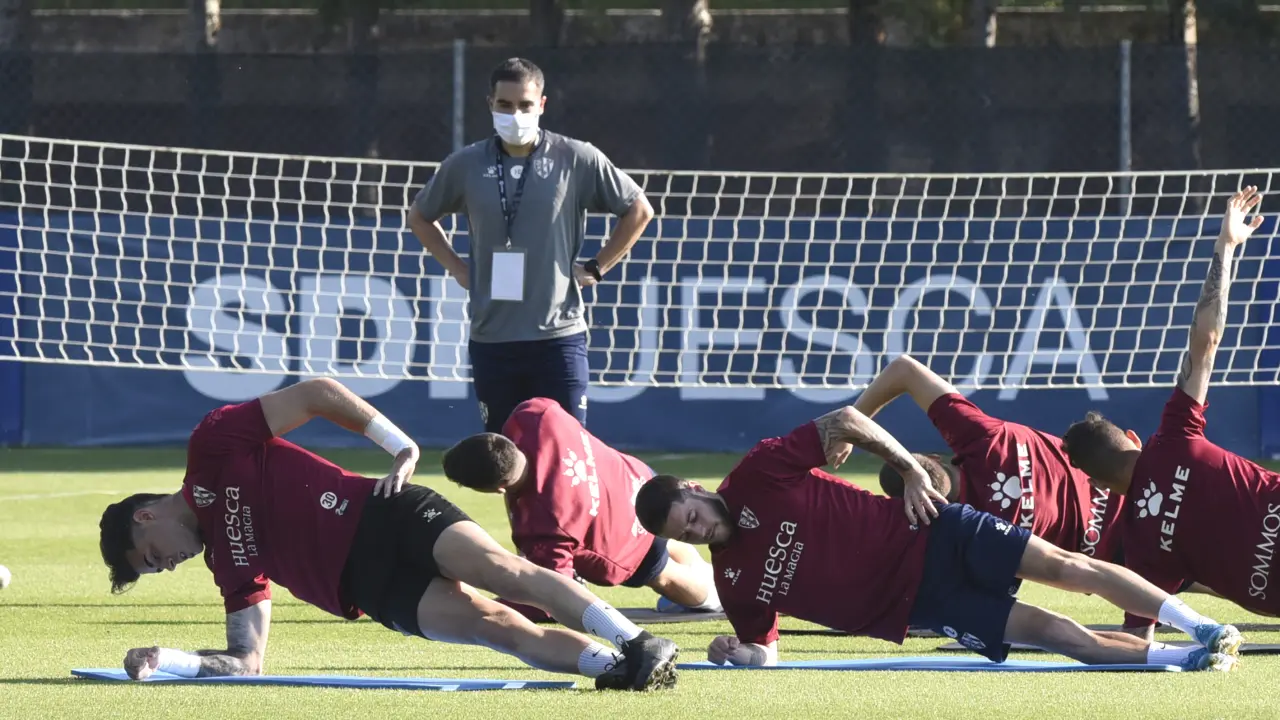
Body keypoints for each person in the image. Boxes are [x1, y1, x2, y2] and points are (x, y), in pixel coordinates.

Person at [96, 377, 678, 691]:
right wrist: (169, 660)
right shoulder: (227, 566)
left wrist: (399, 445)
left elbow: (315, 394)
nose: (165, 566)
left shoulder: (212, 446)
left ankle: (635, 640)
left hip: (385, 512)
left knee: (508, 573)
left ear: (145, 517)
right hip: (370, 589)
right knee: (497, 628)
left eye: (151, 558)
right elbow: (248, 662)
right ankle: (617, 668)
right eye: (156, 569)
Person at [633, 403, 1243, 672]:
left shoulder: (759, 472)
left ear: (694, 490)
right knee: (1059, 636)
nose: (699, 531)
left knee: (1067, 567)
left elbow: (846, 420)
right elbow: (766, 653)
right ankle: (1188, 658)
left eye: (692, 516)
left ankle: (1202, 626)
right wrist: (735, 654)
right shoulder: (734, 582)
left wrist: (907, 468)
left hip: (937, 532)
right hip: (925, 604)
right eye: (687, 534)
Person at [1061, 186, 1277, 635]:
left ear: (1099, 486)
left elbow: (1138, 638)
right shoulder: (1176, 434)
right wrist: (1226, 246)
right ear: (1132, 438)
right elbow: (1206, 340)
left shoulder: (1141, 551)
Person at [407, 56, 654, 434]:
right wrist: (457, 268)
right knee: (504, 456)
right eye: (505, 105)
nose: (515, 114)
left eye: (525, 105)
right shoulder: (466, 164)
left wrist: (597, 267)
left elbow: (639, 210)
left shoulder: (575, 157)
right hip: (493, 338)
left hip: (558, 336)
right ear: (490, 104)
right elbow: (420, 216)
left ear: (542, 104)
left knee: (567, 450)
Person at [442, 397, 721, 619]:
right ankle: (717, 574)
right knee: (669, 539)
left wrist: (484, 606)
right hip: (639, 483)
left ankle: (718, 599)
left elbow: (552, 597)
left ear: (499, 488)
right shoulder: (534, 416)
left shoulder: (541, 525)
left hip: (626, 546)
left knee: (665, 575)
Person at [854, 354, 1124, 561]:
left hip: (1125, 555)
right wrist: (850, 428)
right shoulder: (984, 438)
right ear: (934, 457)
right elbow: (904, 369)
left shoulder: (975, 536)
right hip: (1130, 483)